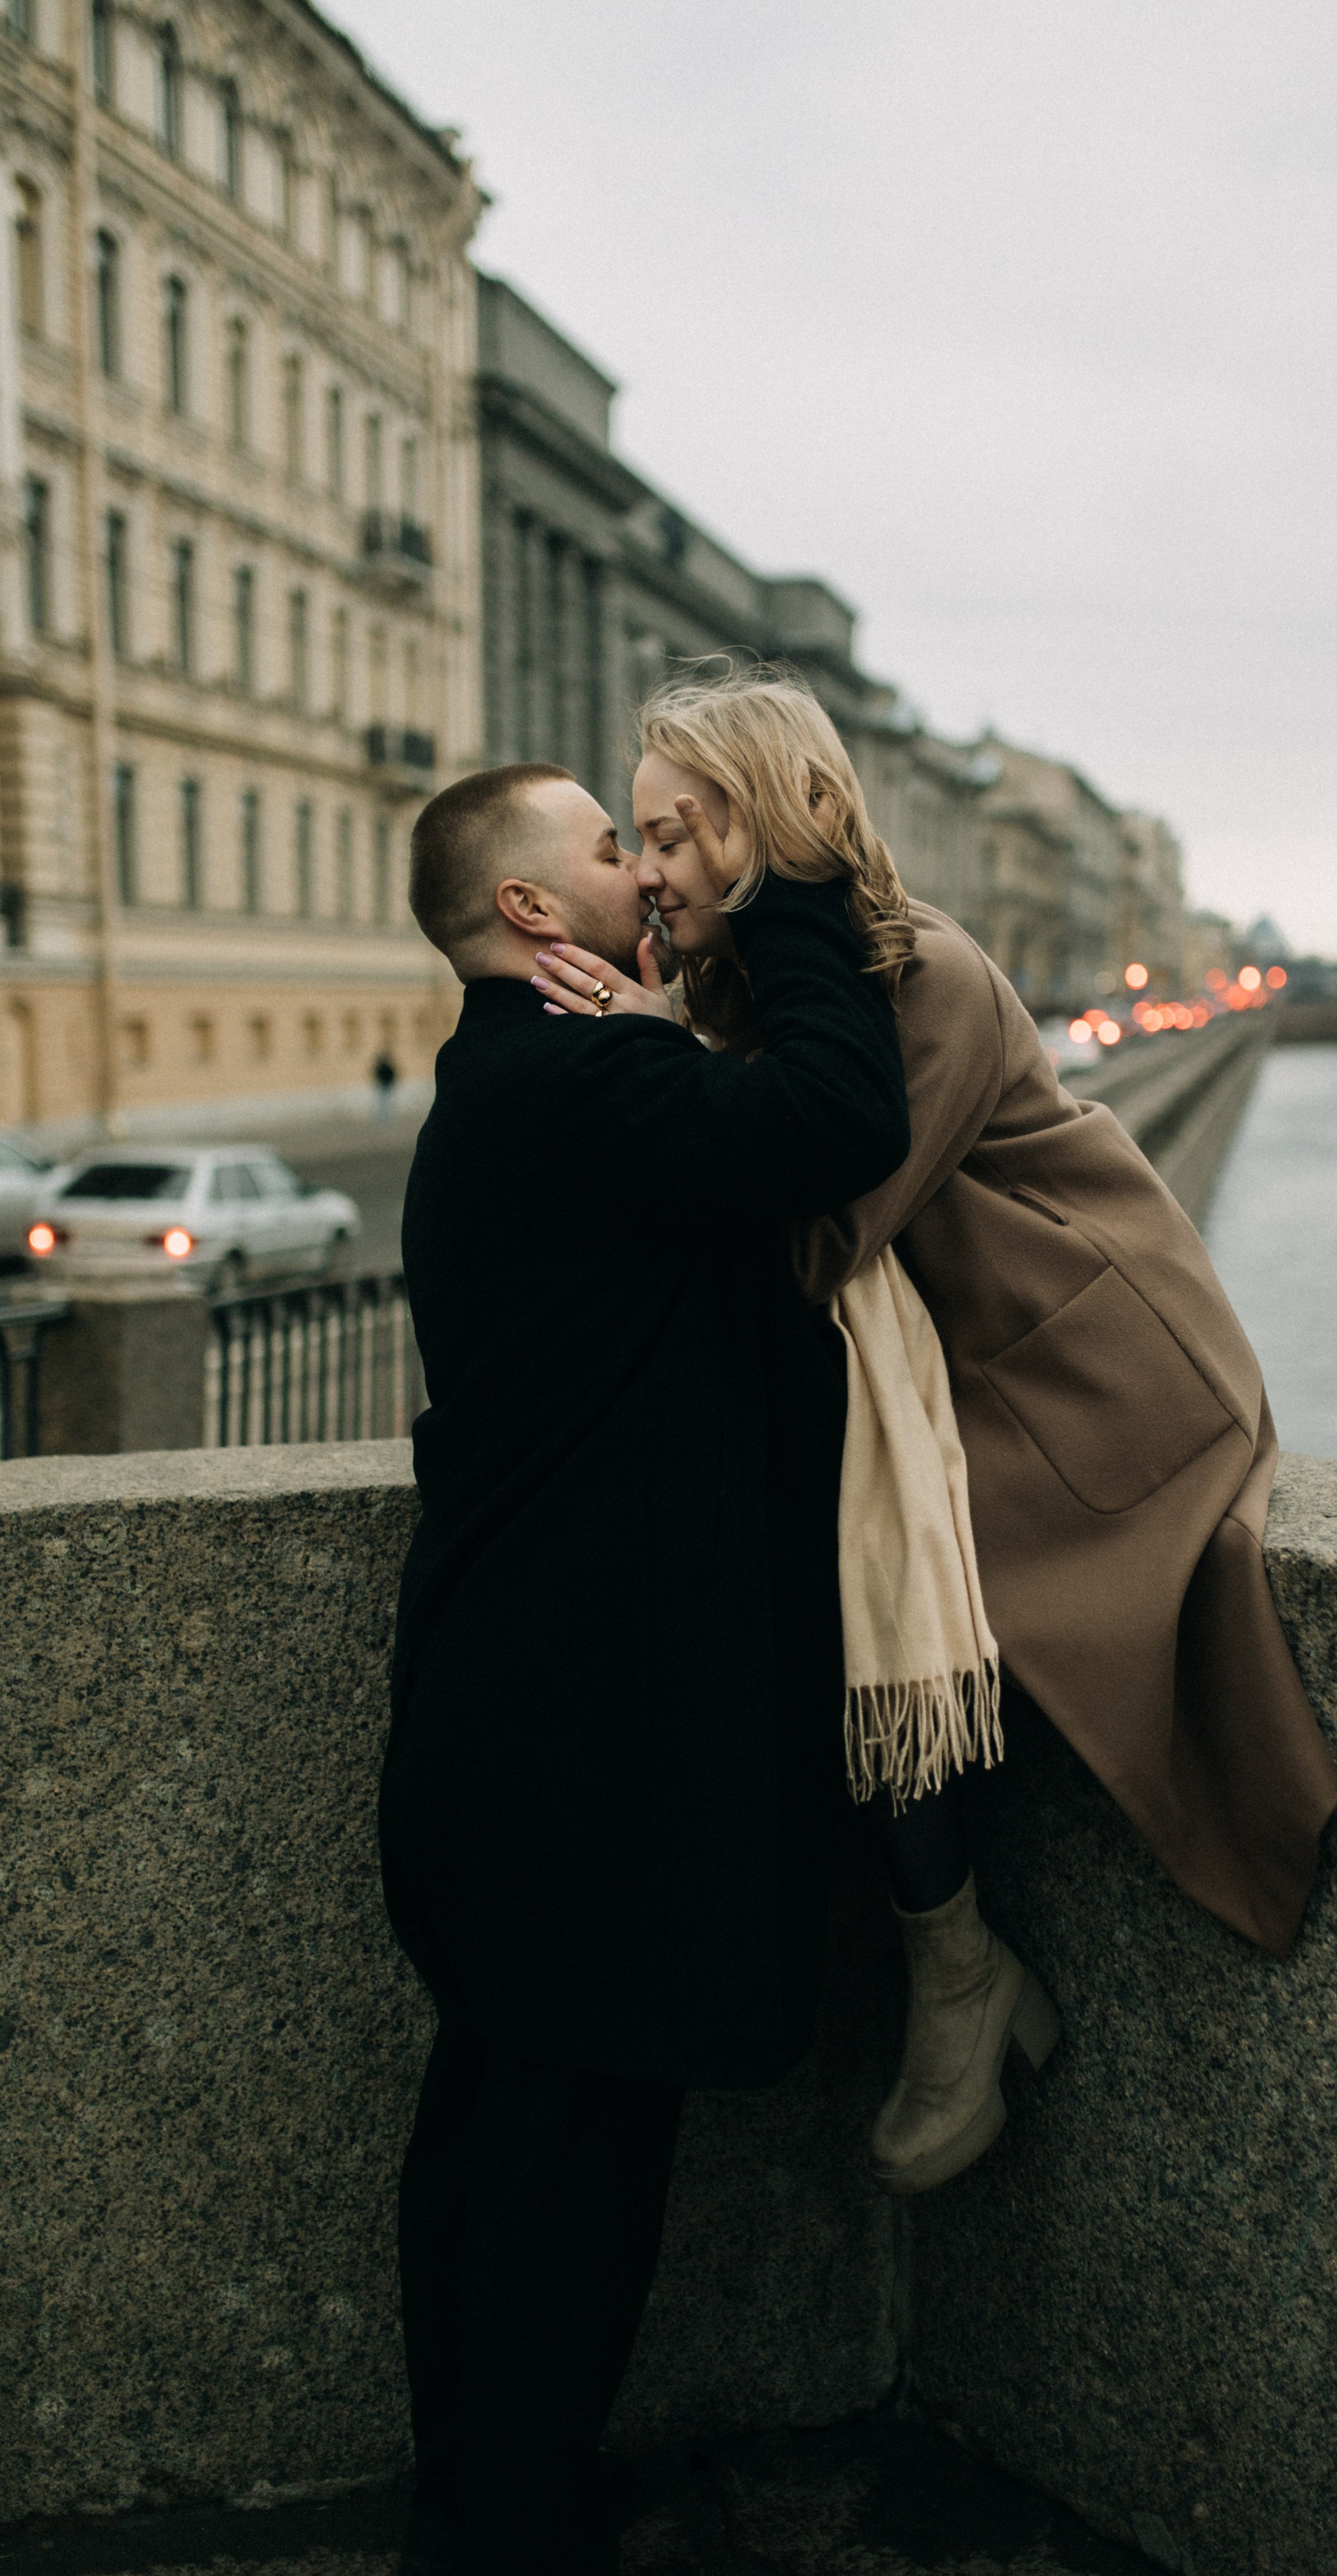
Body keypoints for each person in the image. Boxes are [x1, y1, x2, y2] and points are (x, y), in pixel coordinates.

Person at [537, 668, 1337, 2201]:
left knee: (860, 1597)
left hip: (1085, 1370)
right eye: (635, 838)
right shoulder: (755, 983)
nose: (643, 871)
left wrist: (659, 1059)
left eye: (672, 833)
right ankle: (949, 1965)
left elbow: (818, 1225)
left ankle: (958, 1972)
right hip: (963, 1360)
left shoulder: (926, 975)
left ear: (761, 822)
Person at [381, 758, 908, 2575]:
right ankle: (509, 2532)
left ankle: (480, 2494)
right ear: (532, 910)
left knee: (500, 2127)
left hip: (507, 1706)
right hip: (574, 1732)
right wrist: (796, 887)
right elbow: (838, 1113)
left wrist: (675, 1030)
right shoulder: (571, 1076)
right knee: (567, 2156)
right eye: (616, 848)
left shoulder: (514, 1076)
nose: (648, 870)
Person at [373, 1046, 399, 1122]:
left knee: (385, 1103)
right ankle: (384, 1117)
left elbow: (392, 1074)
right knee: (384, 1103)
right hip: (383, 1086)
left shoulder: (384, 1066)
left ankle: (385, 1117)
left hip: (386, 1086)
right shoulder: (383, 1067)